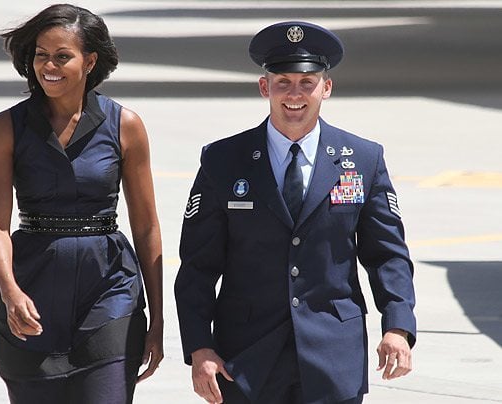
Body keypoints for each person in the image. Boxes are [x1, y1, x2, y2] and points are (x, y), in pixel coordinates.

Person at [175, 21, 416, 404]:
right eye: (283, 82)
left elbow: (387, 254)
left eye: (307, 83)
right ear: (264, 87)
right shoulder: (223, 160)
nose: (295, 94)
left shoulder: (364, 159)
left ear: (327, 88)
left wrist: (398, 326)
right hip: (245, 358)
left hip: (332, 355)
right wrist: (199, 348)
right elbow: (197, 267)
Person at [0, 4, 163, 403]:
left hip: (110, 287)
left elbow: (147, 227)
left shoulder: (126, 125)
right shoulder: (6, 127)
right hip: (33, 289)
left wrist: (158, 319)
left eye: (62, 56)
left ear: (90, 60)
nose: (49, 65)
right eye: (41, 55)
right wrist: (11, 292)